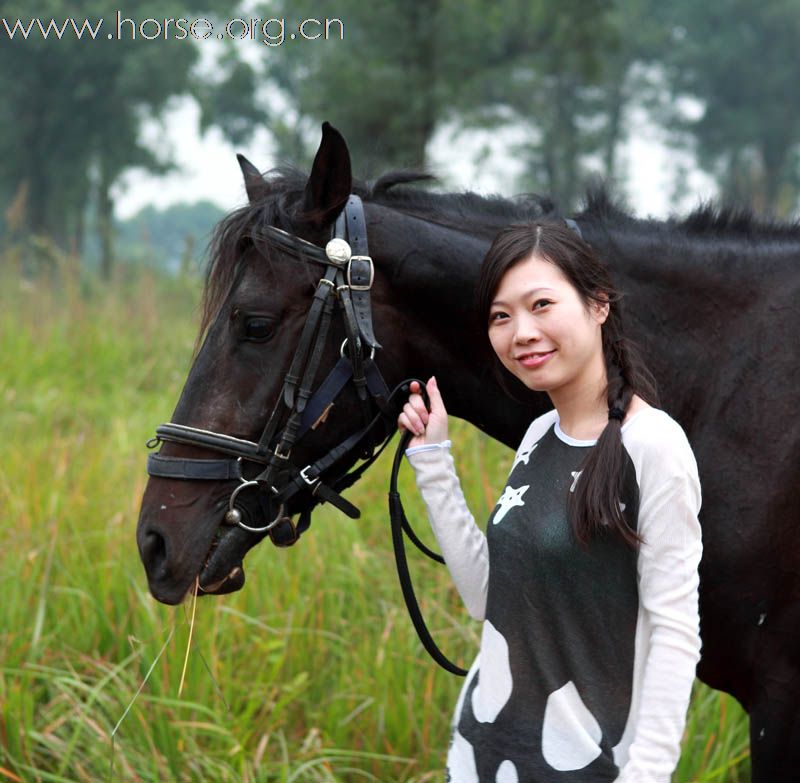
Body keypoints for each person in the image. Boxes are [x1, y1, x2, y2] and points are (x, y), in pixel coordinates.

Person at [398, 221, 702, 783]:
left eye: (541, 304)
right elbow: (489, 599)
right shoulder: (539, 435)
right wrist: (434, 463)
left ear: (599, 305)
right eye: (501, 316)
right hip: (481, 755)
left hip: (588, 765)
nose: (522, 332)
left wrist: (648, 774)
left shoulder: (653, 446)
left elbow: (675, 632)